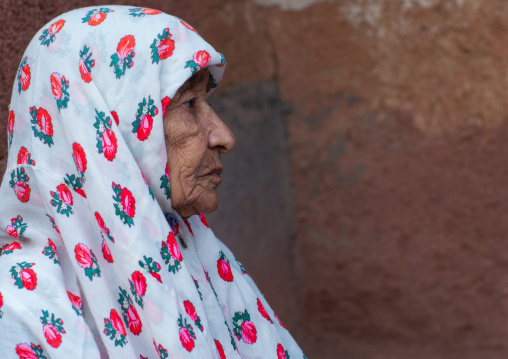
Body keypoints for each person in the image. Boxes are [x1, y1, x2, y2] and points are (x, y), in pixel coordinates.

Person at [0, 5, 306, 358]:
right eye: (190, 104)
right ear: (107, 128)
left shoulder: (192, 254)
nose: (224, 136)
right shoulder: (22, 312)